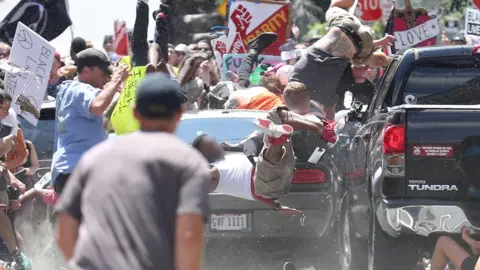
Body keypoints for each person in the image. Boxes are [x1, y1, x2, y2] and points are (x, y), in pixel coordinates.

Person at [56, 73, 210, 270]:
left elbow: (64, 231)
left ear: (135, 112)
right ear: (180, 114)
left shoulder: (95, 157)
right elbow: (189, 235)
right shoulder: (188, 162)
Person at [289, 0, 394, 119]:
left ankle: (392, 60)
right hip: (346, 29)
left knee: (357, 58)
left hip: (361, 45)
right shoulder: (296, 74)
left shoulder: (320, 92)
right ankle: (391, 57)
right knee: (333, 8)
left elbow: (329, 114)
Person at [51, 48, 130, 195]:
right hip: (78, 169)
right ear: (86, 71)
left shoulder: (70, 90)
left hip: (71, 170)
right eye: (103, 73)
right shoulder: (80, 89)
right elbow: (98, 106)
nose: (106, 77)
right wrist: (116, 80)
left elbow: (103, 119)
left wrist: (118, 91)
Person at [0, 91, 29, 270]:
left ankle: (17, 256)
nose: (6, 112)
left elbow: (18, 154)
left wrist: (7, 172)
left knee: (2, 216)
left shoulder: (9, 121)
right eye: (4, 108)